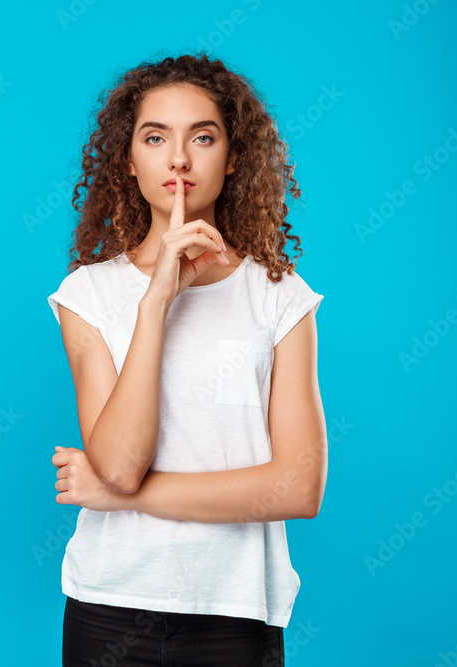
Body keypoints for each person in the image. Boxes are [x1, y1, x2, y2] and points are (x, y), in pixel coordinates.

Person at [47, 54, 327, 666]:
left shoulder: (282, 297)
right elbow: (118, 465)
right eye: (155, 138)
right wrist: (155, 306)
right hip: (109, 603)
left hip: (236, 611)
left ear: (232, 159)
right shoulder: (87, 295)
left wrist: (125, 497)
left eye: (202, 137)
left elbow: (298, 487)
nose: (179, 158)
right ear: (129, 160)